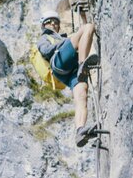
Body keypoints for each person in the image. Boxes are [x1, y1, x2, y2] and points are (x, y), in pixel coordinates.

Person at [36, 10, 100, 148]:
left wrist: (82, 16)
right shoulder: (44, 38)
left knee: (81, 96)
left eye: (56, 21)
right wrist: (66, 42)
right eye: (49, 21)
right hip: (58, 61)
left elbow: (85, 39)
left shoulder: (61, 38)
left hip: (70, 71)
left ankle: (80, 131)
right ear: (43, 25)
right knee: (88, 27)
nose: (53, 23)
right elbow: (46, 51)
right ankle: (83, 64)